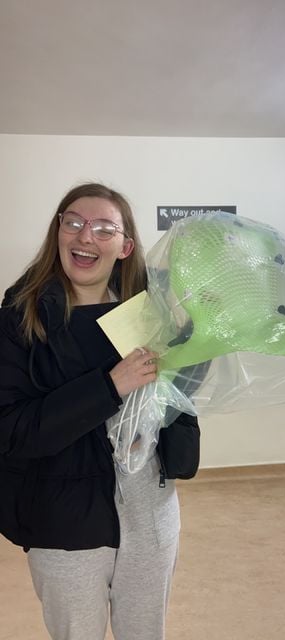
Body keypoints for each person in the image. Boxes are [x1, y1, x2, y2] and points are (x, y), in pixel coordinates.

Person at [0, 183, 200, 640]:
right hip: (63, 514)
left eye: (103, 228)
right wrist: (109, 386)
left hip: (150, 509)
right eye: (73, 222)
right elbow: (11, 430)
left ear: (125, 246)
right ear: (58, 233)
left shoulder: (150, 313)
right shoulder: (18, 320)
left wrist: (204, 339)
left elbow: (175, 397)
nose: (85, 236)